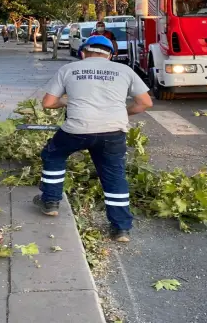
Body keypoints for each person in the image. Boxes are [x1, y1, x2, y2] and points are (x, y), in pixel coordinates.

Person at [34, 35, 153, 242]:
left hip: (76, 129)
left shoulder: (69, 69)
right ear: (110, 55)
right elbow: (145, 102)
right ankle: (121, 228)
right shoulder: (125, 70)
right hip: (113, 132)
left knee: (54, 154)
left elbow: (47, 103)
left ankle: (51, 202)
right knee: (114, 176)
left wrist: (65, 103)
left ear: (82, 52)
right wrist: (123, 112)